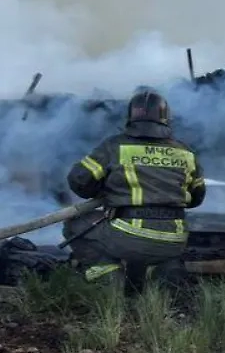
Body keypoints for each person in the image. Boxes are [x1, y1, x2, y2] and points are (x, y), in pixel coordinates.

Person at [63, 88, 206, 295]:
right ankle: (164, 273)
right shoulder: (185, 152)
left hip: (129, 236)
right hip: (174, 240)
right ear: (166, 119)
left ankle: (108, 279)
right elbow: (196, 198)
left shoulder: (114, 146)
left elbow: (79, 181)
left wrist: (106, 188)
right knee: (155, 250)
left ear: (131, 117)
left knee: (75, 224)